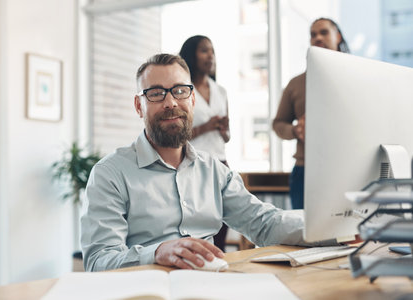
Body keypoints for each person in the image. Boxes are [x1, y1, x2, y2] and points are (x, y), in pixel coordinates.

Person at [81, 53, 334, 272]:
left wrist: (336, 227)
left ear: (192, 100)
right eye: (156, 94)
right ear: (139, 106)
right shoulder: (109, 174)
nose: (171, 102)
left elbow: (265, 224)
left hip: (209, 287)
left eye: (180, 91)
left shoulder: (214, 171)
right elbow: (99, 260)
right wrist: (157, 253)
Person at [272, 18, 350, 209]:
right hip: (305, 171)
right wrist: (295, 130)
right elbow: (278, 123)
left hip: (346, 168)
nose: (317, 38)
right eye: (313, 34)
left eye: (324, 32)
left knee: (347, 236)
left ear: (337, 36)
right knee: (304, 235)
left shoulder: (356, 78)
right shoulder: (295, 84)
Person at [179, 35, 230, 251]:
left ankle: (218, 264)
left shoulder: (220, 91)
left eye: (212, 51)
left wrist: (223, 128)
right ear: (191, 55)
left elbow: (227, 137)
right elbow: (176, 134)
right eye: (203, 50)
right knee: (199, 223)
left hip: (220, 162)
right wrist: (205, 127)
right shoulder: (181, 90)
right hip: (193, 163)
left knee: (224, 220)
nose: (210, 56)